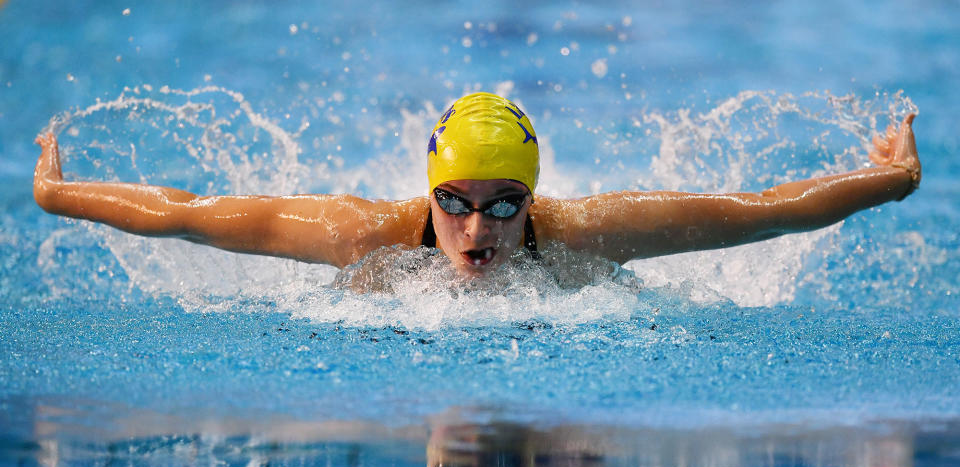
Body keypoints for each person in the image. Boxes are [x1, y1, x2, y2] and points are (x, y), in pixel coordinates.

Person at [33, 92, 921, 279]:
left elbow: (753, 215)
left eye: (505, 204)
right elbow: (190, 215)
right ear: (427, 195)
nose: (477, 228)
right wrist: (58, 196)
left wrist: (887, 182)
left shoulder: (584, 233)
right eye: (453, 201)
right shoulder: (360, 235)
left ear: (534, 200)